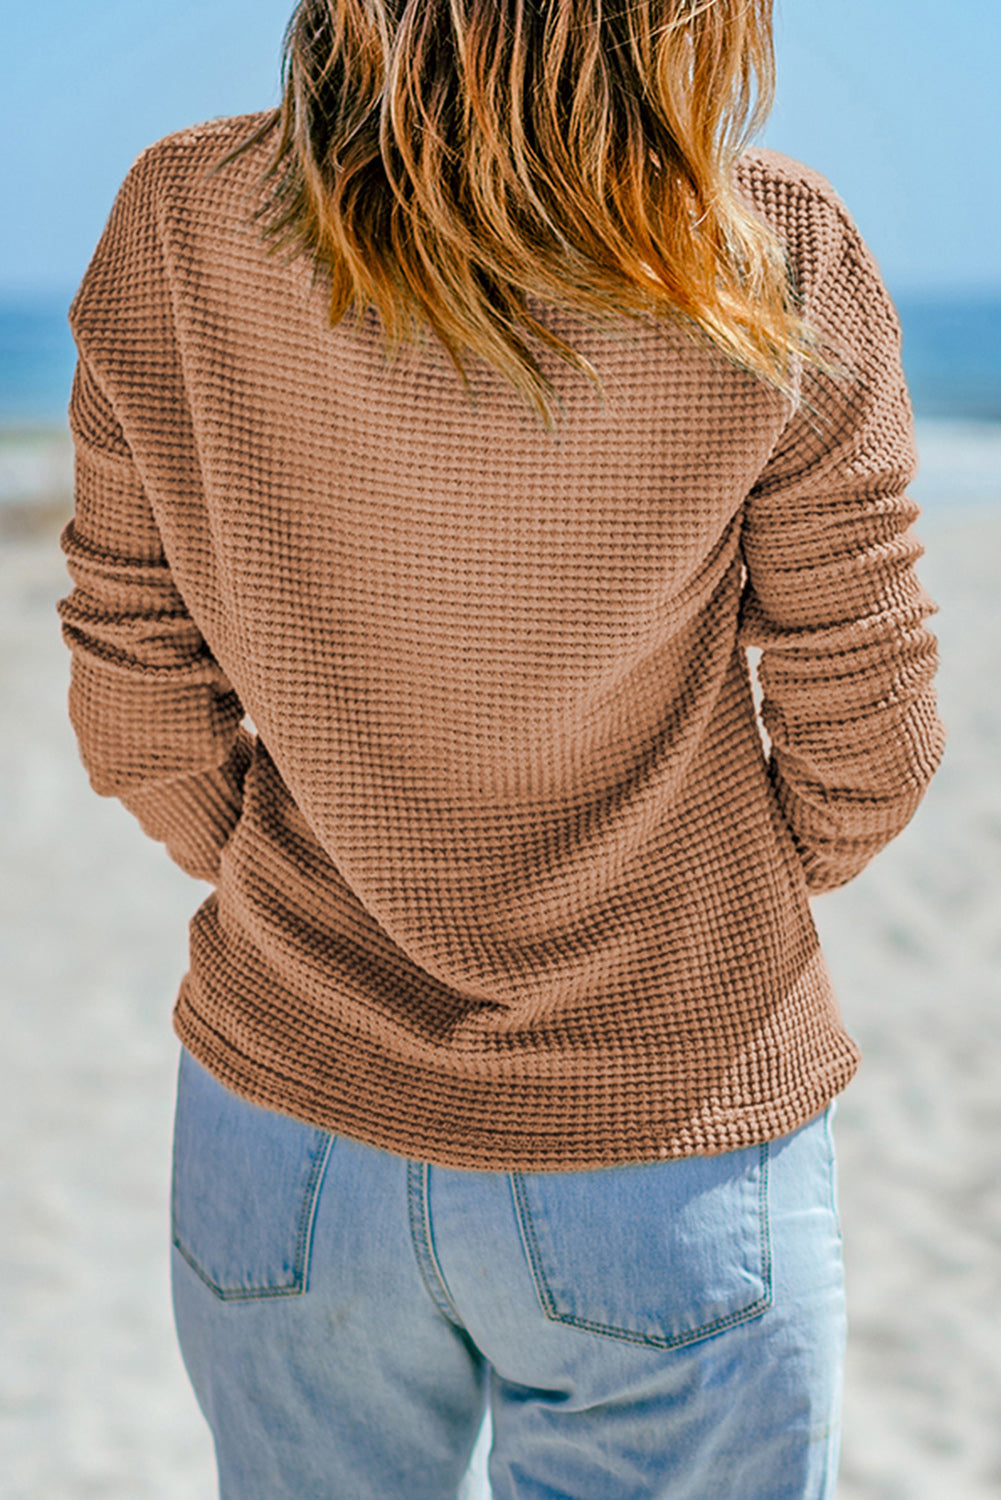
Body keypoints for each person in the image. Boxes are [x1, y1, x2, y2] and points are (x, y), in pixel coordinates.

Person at [55, 0, 946, 1495]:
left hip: (285, 1127)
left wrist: (300, 862)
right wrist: (690, 909)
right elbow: (872, 735)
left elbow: (134, 695)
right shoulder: (769, 248)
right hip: (664, 1135)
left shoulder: (178, 223)